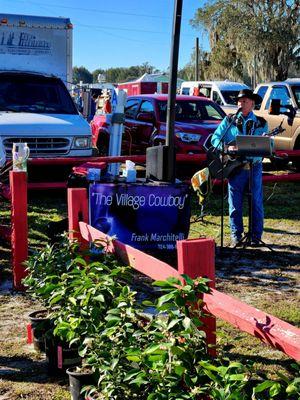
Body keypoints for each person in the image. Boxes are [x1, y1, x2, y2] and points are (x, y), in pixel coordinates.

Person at [210, 89, 268, 247]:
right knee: (234, 203)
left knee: (256, 202)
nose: (241, 104)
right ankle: (236, 235)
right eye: (239, 101)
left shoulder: (261, 123)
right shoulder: (229, 120)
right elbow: (215, 138)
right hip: (235, 168)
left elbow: (268, 145)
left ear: (252, 103)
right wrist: (226, 148)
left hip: (254, 167)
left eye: (245, 101)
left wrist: (264, 144)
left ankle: (256, 237)